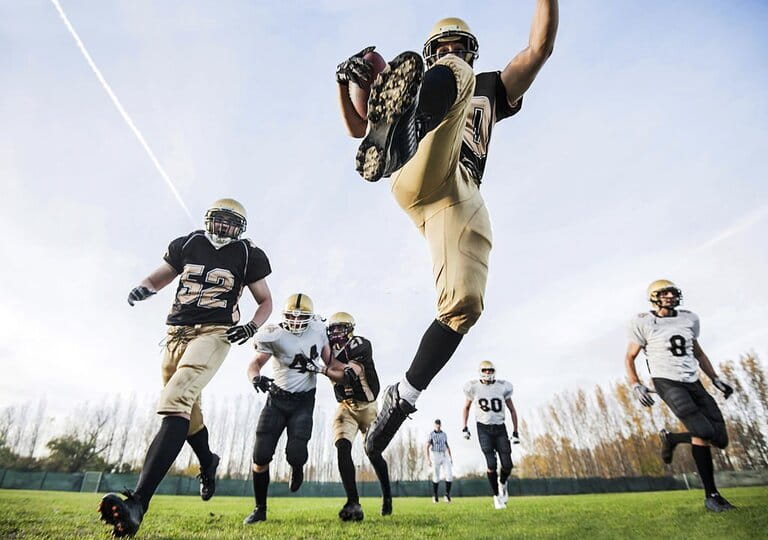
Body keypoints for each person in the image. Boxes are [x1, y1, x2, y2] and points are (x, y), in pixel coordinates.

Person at [334, 3, 558, 457]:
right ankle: (406, 129)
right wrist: (345, 84)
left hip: (457, 191)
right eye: (442, 48)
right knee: (450, 76)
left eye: (458, 48)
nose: (451, 52)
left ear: (475, 52)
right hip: (419, 167)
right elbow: (358, 130)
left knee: (465, 304)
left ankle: (404, 398)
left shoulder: (490, 87)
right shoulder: (451, 69)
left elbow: (539, 48)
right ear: (429, 53)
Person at [99, 198, 273, 538]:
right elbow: (160, 276)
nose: (223, 227)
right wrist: (144, 288)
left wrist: (251, 326)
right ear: (209, 220)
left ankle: (138, 504)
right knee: (188, 411)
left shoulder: (248, 254)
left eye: (230, 222)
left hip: (215, 332)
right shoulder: (189, 242)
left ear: (240, 227)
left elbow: (265, 300)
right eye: (219, 220)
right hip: (175, 334)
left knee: (175, 401)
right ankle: (208, 462)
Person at [625, 279, 736, 513]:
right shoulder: (644, 322)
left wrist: (715, 379)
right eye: (664, 294)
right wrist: (636, 385)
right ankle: (712, 496)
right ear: (654, 297)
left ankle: (673, 439)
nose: (669, 297)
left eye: (672, 293)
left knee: (720, 439)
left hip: (693, 382)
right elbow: (629, 357)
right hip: (667, 382)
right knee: (703, 431)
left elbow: (698, 353)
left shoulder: (688, 319)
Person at [242, 293, 338, 524]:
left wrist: (339, 377)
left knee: (296, 453)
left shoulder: (318, 330)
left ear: (310, 317)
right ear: (284, 316)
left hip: (304, 400)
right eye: (291, 317)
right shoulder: (275, 335)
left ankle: (297, 467)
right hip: (277, 399)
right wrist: (255, 378)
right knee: (260, 455)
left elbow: (331, 364)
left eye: (301, 317)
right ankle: (260, 509)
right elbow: (254, 364)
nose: (295, 321)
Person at [322, 312, 392, 521]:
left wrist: (321, 368)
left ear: (350, 329)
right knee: (342, 446)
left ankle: (387, 496)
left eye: (339, 328)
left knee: (373, 452)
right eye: (332, 328)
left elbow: (348, 376)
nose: (335, 332)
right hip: (347, 407)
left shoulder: (360, 345)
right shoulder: (325, 348)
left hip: (369, 407)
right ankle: (353, 502)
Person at [461, 361, 519, 510]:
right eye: (485, 370)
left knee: (507, 464)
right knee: (491, 464)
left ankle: (502, 483)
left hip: (500, 427)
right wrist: (465, 427)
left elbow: (512, 410)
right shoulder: (473, 387)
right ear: (480, 371)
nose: (488, 373)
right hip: (483, 428)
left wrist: (515, 431)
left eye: (490, 370)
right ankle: (496, 497)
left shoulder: (502, 386)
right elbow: (466, 407)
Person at [426, 419, 453, 503]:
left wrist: (451, 457)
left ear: (441, 425)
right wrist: (428, 459)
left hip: (444, 454)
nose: (438, 426)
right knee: (436, 475)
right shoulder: (432, 434)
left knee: (449, 474)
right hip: (435, 454)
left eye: (439, 424)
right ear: (435, 425)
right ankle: (435, 496)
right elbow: (427, 446)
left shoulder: (444, 434)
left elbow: (447, 445)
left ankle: (447, 495)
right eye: (436, 424)